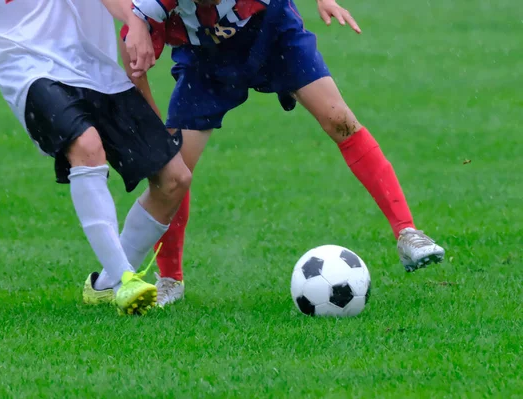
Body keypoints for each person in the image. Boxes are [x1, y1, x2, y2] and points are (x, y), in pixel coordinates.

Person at [120, 0, 446, 306]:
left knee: (340, 121)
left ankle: (407, 233)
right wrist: (150, 118)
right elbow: (133, 57)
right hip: (206, 63)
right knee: (173, 170)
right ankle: (170, 278)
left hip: (273, 36)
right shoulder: (150, 7)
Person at [0, 0, 192, 315]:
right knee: (86, 146)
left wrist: (132, 21)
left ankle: (106, 284)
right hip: (30, 72)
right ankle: (124, 281)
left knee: (174, 179)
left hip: (97, 73)